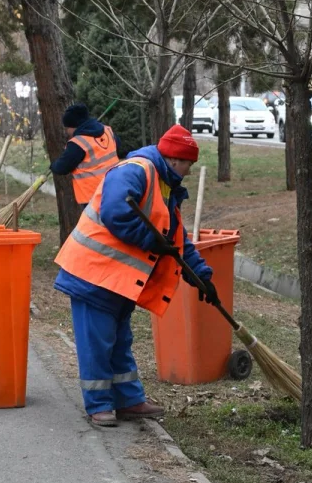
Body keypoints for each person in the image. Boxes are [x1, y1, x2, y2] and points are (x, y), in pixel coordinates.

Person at [53, 125, 216, 428]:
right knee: (97, 343)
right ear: (176, 159)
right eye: (188, 165)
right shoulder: (134, 171)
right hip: (93, 275)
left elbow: (176, 238)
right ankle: (99, 405)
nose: (189, 172)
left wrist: (201, 275)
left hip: (119, 280)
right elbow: (116, 213)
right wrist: (150, 240)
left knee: (119, 342)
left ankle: (128, 400)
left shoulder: (165, 184)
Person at [49, 102, 124, 210]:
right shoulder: (107, 131)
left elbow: (61, 168)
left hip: (93, 196)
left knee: (97, 226)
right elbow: (117, 144)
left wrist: (53, 166)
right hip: (115, 186)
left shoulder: (77, 144)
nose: (66, 132)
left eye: (67, 128)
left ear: (74, 126)